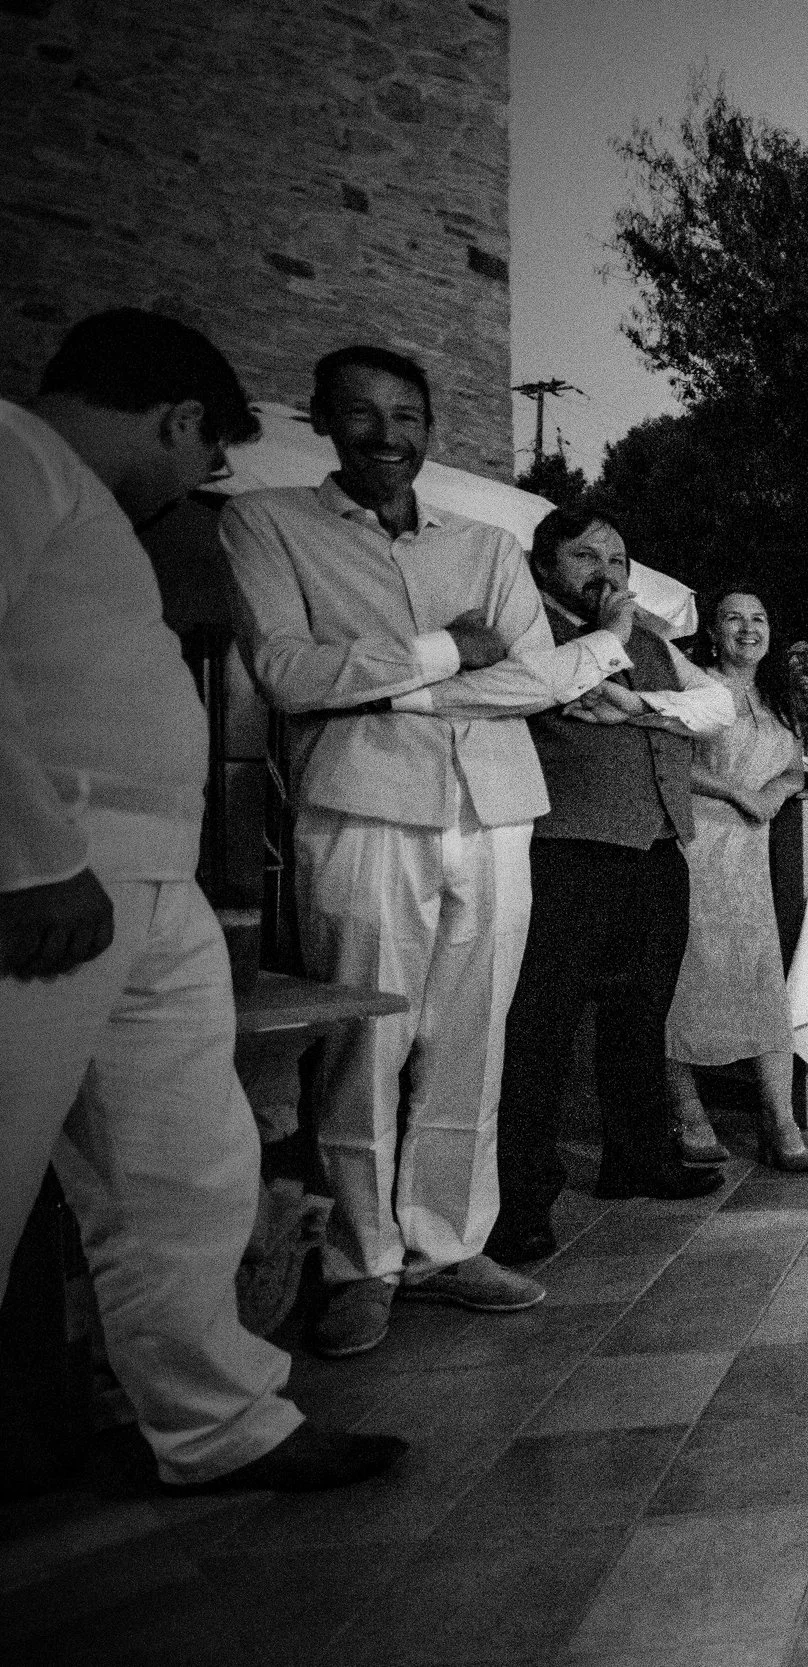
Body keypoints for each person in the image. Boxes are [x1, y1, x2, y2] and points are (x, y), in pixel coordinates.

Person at [1, 309, 402, 1491]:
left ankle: (219, 1421)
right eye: (202, 456)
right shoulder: (15, 453)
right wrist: (27, 860)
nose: (192, 484)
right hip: (50, 880)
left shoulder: (70, 493)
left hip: (143, 882)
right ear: (180, 419)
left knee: (184, 1169)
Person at [222, 345, 637, 1359]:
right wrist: (451, 652)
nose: (387, 434)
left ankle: (447, 1245)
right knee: (367, 1048)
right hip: (364, 810)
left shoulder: (488, 547)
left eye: (406, 414)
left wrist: (389, 686)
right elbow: (284, 671)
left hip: (494, 809)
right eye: (362, 413)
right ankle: (359, 1263)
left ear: (429, 426)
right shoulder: (267, 523)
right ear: (323, 418)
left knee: (471, 1042)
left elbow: (537, 682)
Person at [487, 509, 734, 1265]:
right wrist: (622, 655)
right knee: (541, 1033)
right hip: (568, 851)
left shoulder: (651, 639)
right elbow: (543, 697)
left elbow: (718, 708)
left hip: (658, 850)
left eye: (619, 556)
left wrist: (645, 706)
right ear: (543, 564)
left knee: (640, 1016)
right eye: (585, 554)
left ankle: (638, 1158)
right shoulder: (529, 635)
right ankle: (519, 1202)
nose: (607, 569)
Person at [664, 586, 808, 1172]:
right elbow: (669, 758)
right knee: (688, 976)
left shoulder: (779, 697)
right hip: (698, 842)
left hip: (751, 854)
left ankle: (781, 1121)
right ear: (713, 630)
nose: (748, 629)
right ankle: (689, 1113)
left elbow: (796, 765)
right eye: (734, 619)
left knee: (759, 979)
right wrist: (734, 791)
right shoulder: (695, 684)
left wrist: (773, 793)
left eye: (759, 617)